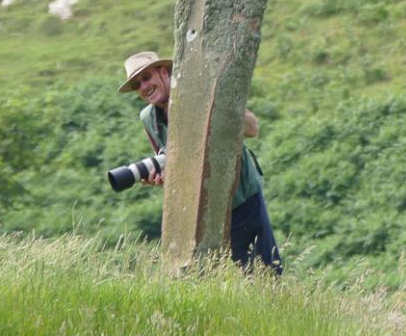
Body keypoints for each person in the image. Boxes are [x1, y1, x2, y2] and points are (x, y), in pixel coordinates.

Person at [118, 51, 283, 275]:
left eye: (146, 77)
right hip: (198, 206)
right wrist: (161, 178)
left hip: (239, 197)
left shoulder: (198, 93)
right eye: (137, 84)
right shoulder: (149, 118)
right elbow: (168, 160)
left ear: (164, 72)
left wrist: (214, 106)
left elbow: (253, 128)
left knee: (264, 273)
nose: (143, 86)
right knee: (207, 278)